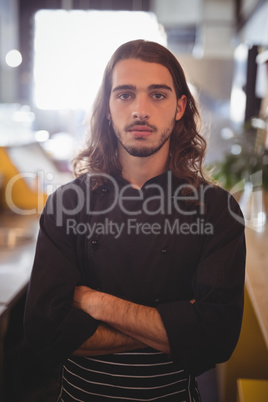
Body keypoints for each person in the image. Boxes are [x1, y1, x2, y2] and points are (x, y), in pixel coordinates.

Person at [24, 39, 246, 401]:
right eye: (125, 95)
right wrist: (177, 326)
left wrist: (99, 305)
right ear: (107, 109)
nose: (140, 110)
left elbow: (217, 339)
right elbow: (44, 332)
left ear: (179, 107)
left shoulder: (217, 210)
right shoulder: (67, 203)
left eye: (157, 95)